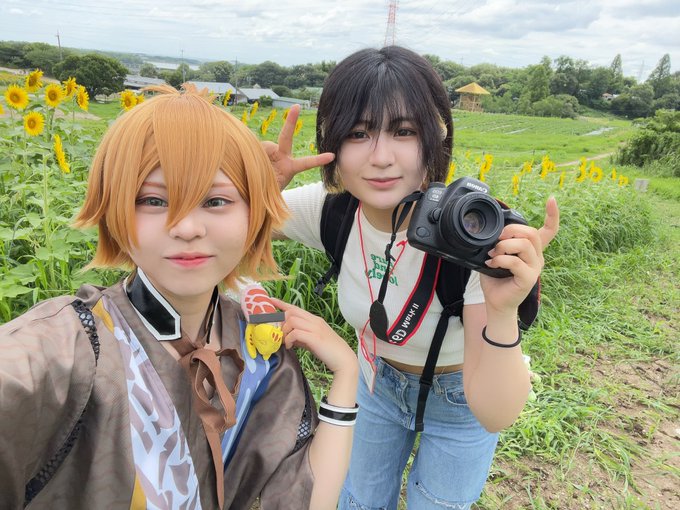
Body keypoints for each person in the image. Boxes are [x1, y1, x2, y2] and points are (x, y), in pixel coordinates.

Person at [0, 84, 358, 510]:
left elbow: (301, 497)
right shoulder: (72, 348)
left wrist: (346, 374)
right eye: (153, 200)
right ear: (113, 209)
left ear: (254, 214)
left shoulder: (261, 352)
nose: (187, 227)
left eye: (215, 200)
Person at [265, 46, 559, 509]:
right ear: (331, 142)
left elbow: (496, 414)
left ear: (435, 139)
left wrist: (502, 311)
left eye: (404, 131)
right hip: (375, 382)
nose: (381, 157)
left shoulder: (471, 234)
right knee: (360, 501)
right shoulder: (331, 211)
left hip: (460, 396)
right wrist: (254, 189)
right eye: (358, 133)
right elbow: (215, 232)